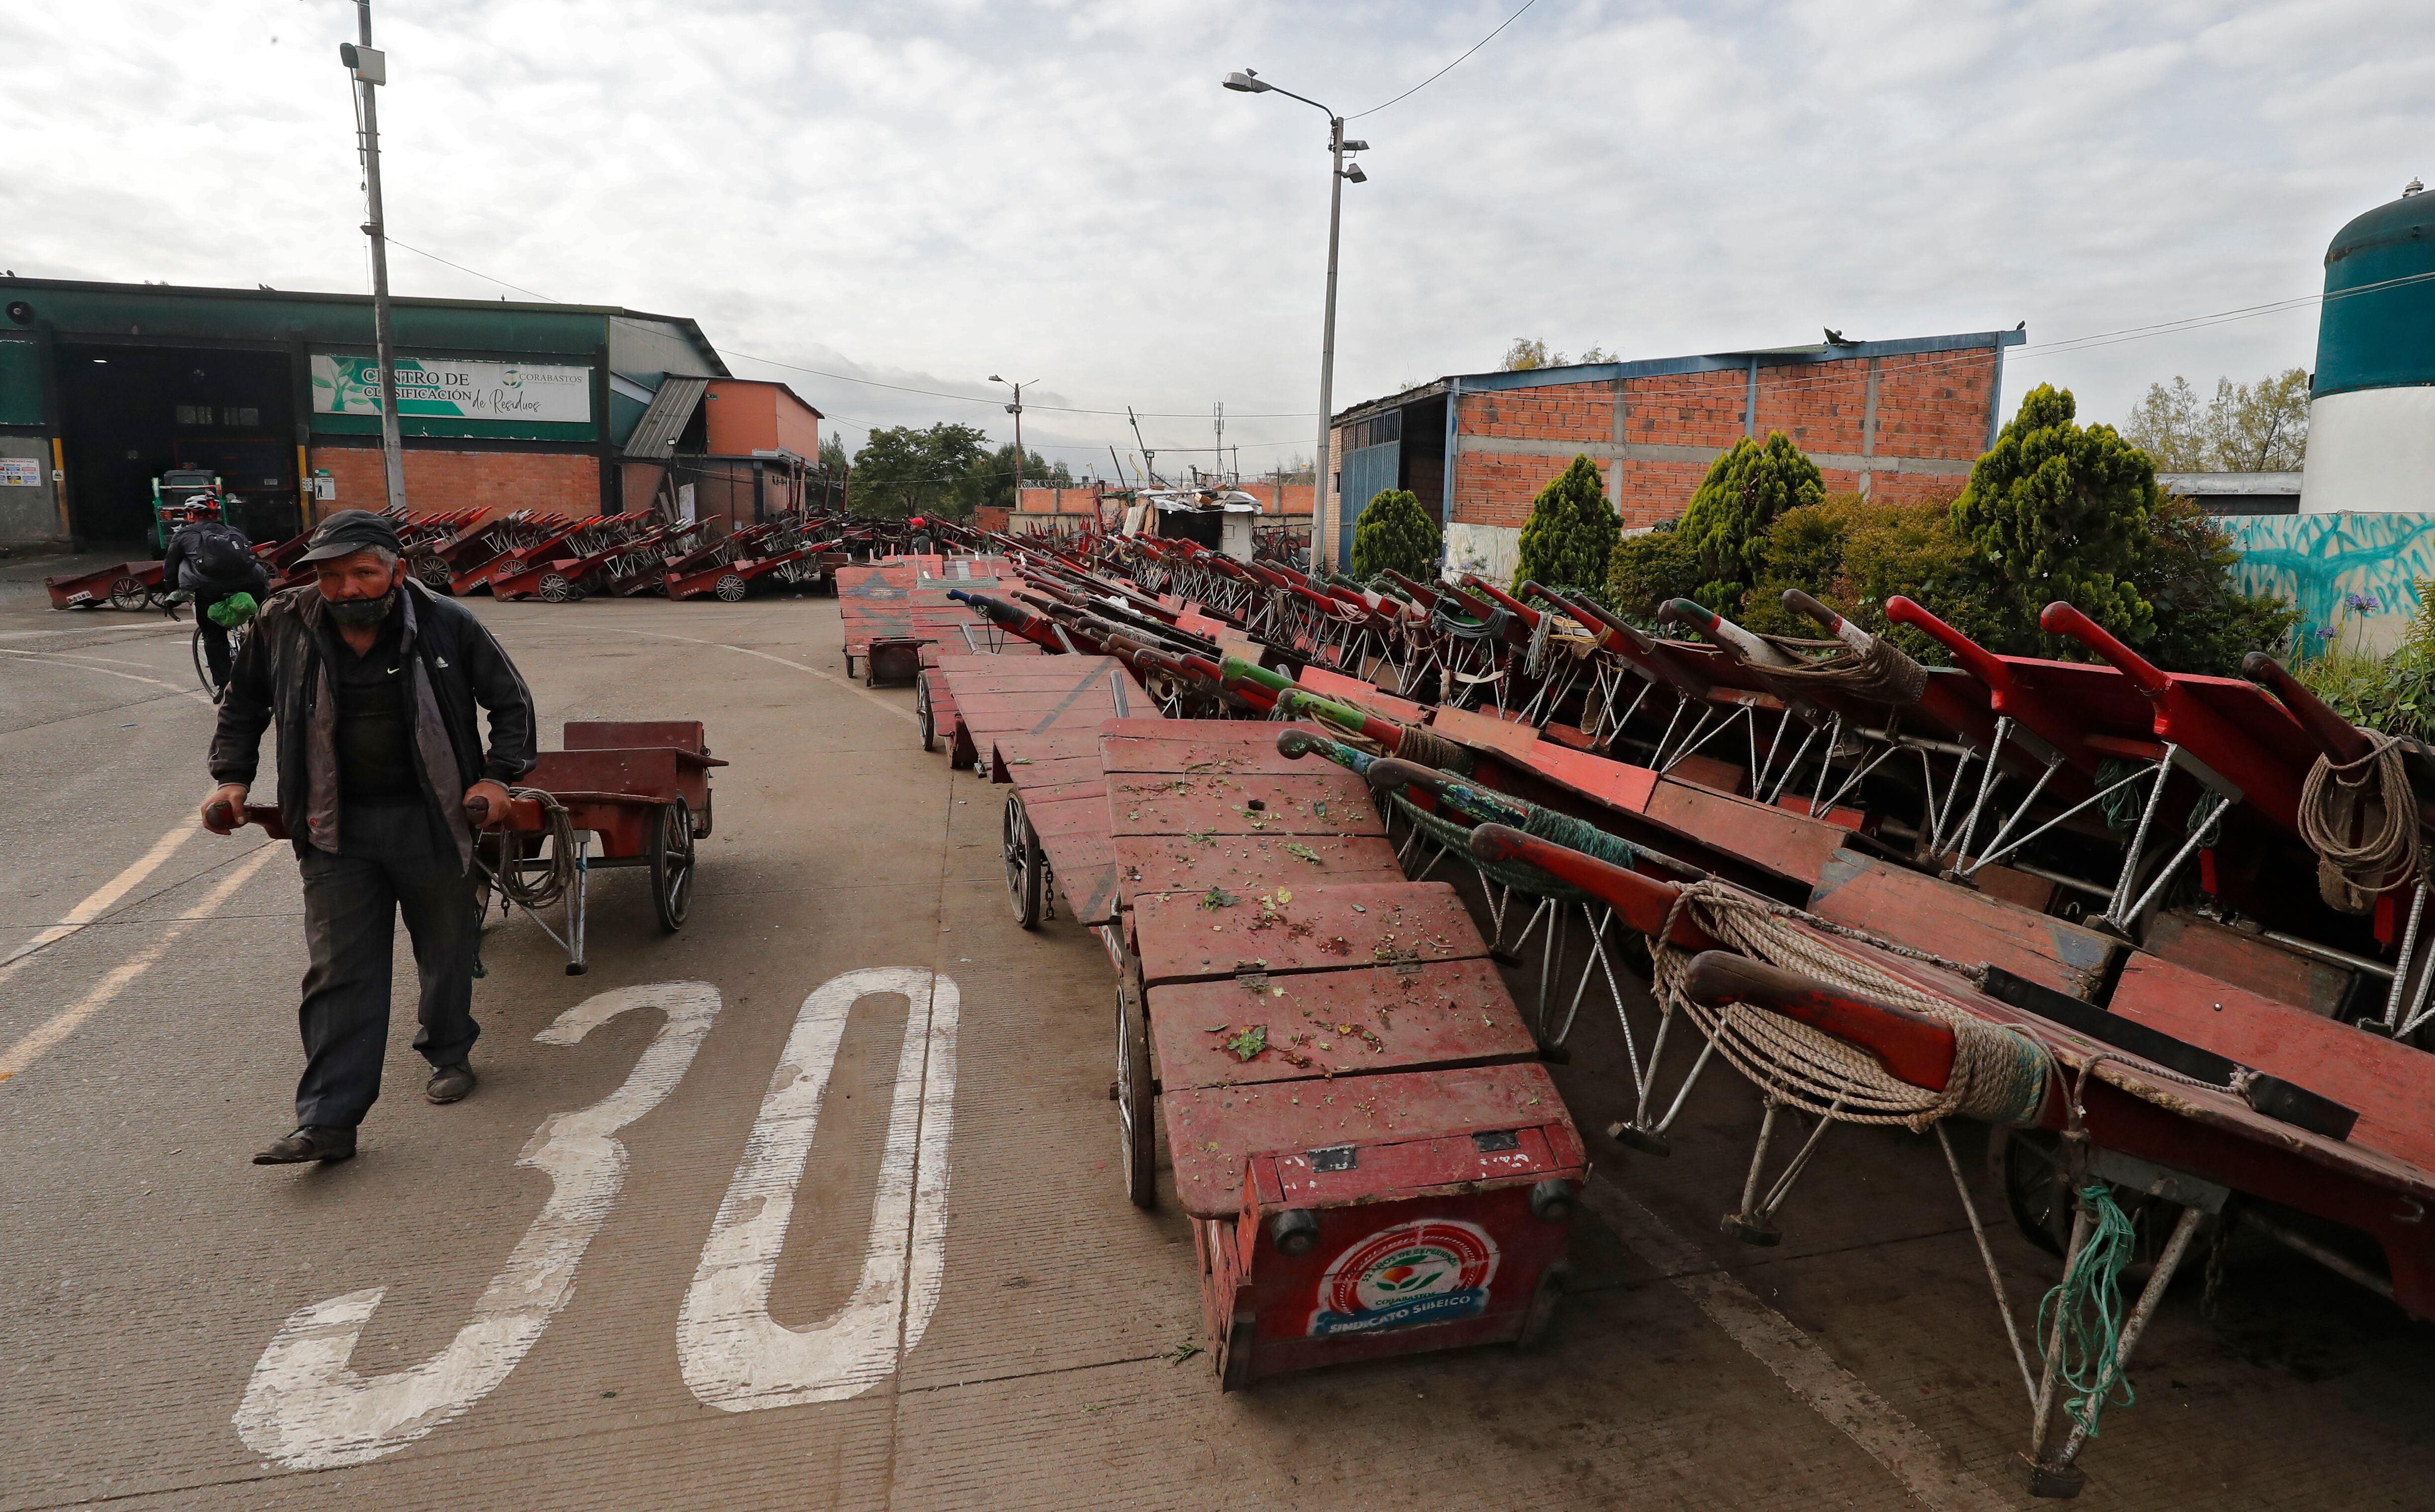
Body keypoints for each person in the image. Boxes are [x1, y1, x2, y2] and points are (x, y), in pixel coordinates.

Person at [202, 509, 537, 1165]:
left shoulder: (448, 623)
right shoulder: (284, 623)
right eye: (332, 577)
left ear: (397, 571)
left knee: (445, 947)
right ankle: (328, 1120)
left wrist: (500, 779)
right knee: (339, 971)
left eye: (363, 573)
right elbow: (243, 704)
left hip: (432, 818)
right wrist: (231, 778)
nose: (348, 588)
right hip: (333, 826)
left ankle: (448, 1050)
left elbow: (510, 702)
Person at [162, 497, 272, 693]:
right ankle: (266, 667)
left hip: (210, 588)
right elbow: (251, 559)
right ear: (218, 516)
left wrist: (172, 594)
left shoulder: (184, 534)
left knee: (213, 635)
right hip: (251, 584)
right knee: (261, 627)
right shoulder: (235, 532)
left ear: (191, 515)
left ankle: (225, 686)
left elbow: (171, 566)